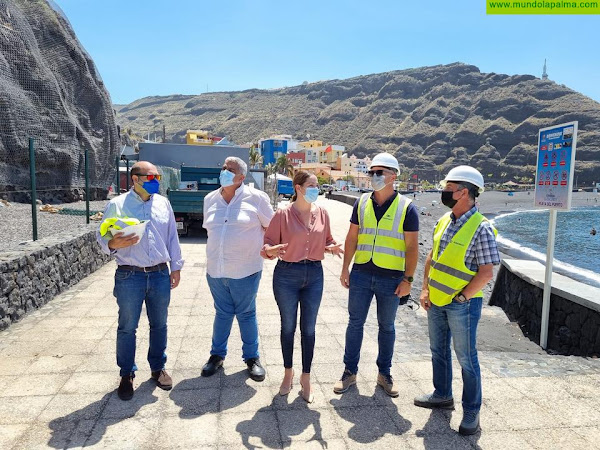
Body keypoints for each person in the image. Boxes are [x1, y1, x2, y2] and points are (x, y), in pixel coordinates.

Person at [415, 165, 500, 436]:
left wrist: (463, 297)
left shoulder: (482, 229)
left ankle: (471, 412)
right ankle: (442, 394)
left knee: (466, 358)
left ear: (464, 192)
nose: (444, 191)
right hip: (436, 299)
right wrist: (425, 289)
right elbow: (432, 257)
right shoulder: (444, 219)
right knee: (438, 350)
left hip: (462, 304)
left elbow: (486, 273)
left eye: (448, 188)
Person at [96, 161, 184, 401]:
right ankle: (126, 374)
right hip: (129, 275)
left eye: (158, 175)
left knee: (160, 324)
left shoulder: (163, 203)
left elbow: (172, 237)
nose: (157, 179)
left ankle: (157, 368)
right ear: (135, 179)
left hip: (159, 273)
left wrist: (176, 267)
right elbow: (102, 236)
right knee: (127, 327)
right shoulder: (117, 205)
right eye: (152, 176)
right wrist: (113, 244)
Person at [336, 152, 419, 397]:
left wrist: (408, 280)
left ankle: (384, 374)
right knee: (354, 324)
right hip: (361, 273)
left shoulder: (407, 208)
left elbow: (412, 247)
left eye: (379, 172)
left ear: (393, 176)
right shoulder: (361, 203)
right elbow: (352, 237)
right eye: (372, 172)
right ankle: (349, 372)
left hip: (391, 278)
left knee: (387, 327)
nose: (374, 176)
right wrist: (345, 268)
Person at [261, 171, 343, 403]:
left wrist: (333, 246)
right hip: (286, 275)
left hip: (315, 274)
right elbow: (268, 242)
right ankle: (288, 372)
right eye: (311, 185)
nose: (316, 189)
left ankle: (306, 377)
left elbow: (326, 240)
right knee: (288, 327)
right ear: (298, 188)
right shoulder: (283, 214)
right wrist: (270, 249)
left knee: (309, 329)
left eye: (317, 185)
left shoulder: (323, 214)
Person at [201, 157, 274, 382]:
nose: (224, 172)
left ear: (241, 177)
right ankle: (217, 356)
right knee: (222, 313)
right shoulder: (210, 199)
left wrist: (269, 248)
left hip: (246, 270)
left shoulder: (257, 198)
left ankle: (252, 358)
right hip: (216, 270)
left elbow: (272, 228)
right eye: (223, 167)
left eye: (230, 170)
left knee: (246, 314)